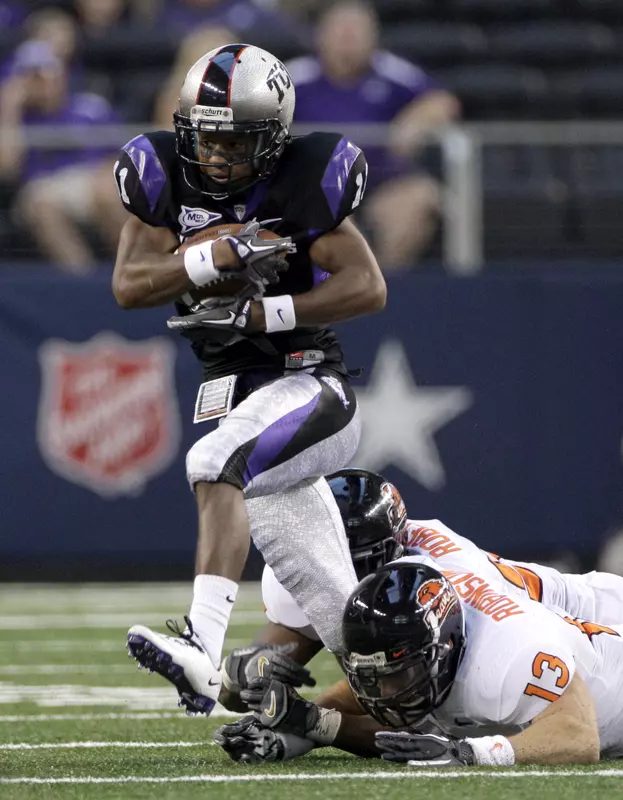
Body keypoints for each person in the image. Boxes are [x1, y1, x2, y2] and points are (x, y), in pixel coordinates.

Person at [112, 43, 386, 718]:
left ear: (273, 139)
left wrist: (267, 308)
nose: (217, 155)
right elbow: (128, 286)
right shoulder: (161, 176)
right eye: (206, 138)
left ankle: (200, 647)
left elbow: (367, 285)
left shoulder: (300, 182)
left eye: (236, 141)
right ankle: (405, 710)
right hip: (233, 388)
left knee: (213, 461)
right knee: (327, 597)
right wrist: (206, 261)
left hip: (308, 381)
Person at [214, 469, 623, 763]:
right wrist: (282, 712)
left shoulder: (476, 624)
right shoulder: (386, 595)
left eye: (331, 561)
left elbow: (575, 732)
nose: (318, 575)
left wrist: (471, 752)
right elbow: (380, 686)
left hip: (588, 611)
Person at [287, 0, 460, 269]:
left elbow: (442, 102)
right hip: (319, 184)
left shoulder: (392, 71)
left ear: (374, 36)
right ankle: (340, 284)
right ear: (320, 35)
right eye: (340, 29)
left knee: (420, 197)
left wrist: (416, 120)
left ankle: (381, 282)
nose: (348, 37)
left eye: (356, 29)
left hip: (383, 182)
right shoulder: (294, 76)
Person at [0, 40, 125, 272]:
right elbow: (7, 168)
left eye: (49, 74)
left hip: (92, 179)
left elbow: (119, 156)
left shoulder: (90, 107)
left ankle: (133, 271)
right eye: (35, 76)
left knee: (107, 191)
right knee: (42, 206)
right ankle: (84, 281)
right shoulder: (16, 117)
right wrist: (10, 107)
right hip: (42, 185)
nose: (44, 83)